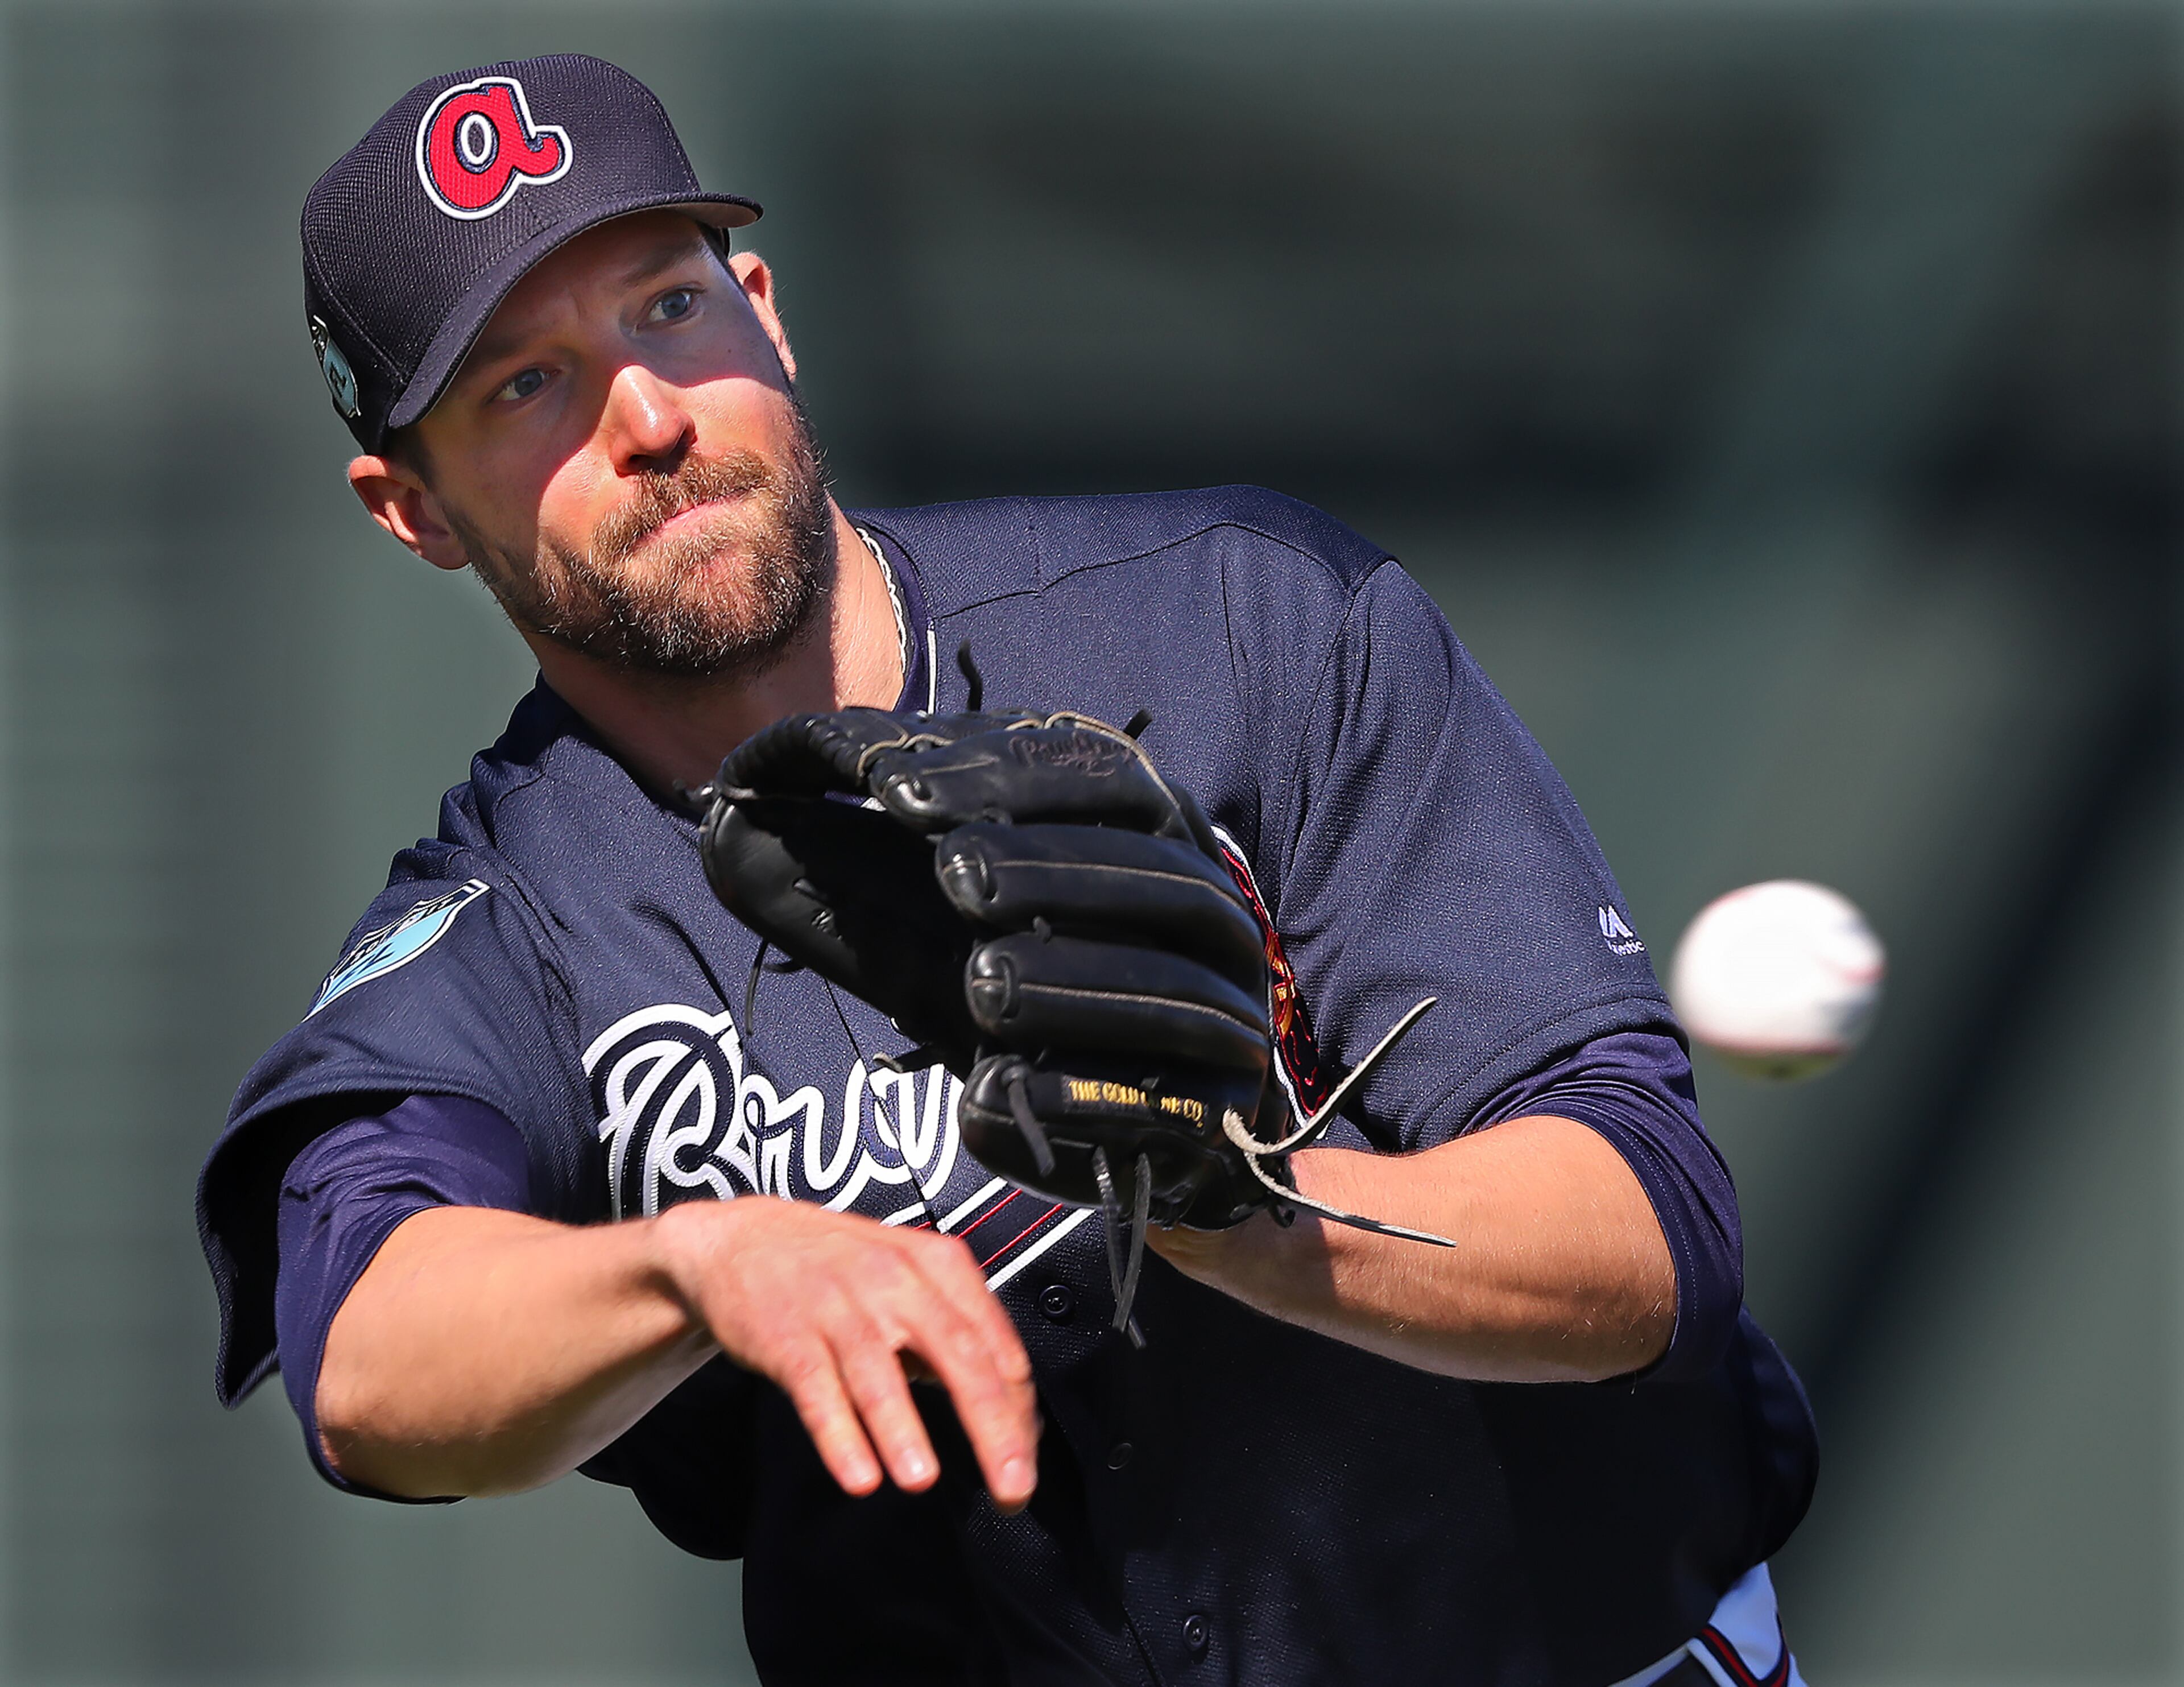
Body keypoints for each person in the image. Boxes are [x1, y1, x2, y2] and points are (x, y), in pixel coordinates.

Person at [197, 54, 1818, 1687]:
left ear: (764, 310)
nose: (646, 417)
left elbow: (1646, 1236)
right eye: (522, 386)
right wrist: (699, 1261)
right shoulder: (513, 923)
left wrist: (1245, 1217)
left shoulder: (1247, 621)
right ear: (410, 509)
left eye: (667, 308)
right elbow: (370, 1363)